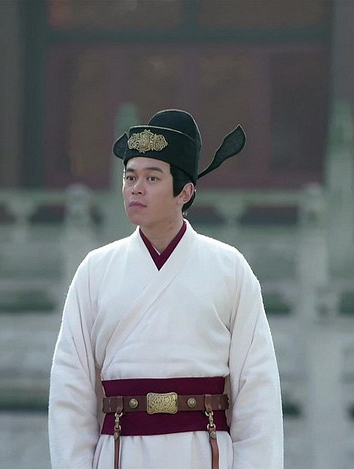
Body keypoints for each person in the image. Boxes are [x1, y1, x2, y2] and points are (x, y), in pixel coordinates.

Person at [48, 109, 284, 469]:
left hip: (204, 452)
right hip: (120, 453)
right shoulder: (95, 271)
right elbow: (71, 389)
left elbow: (257, 392)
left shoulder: (229, 268)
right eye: (130, 177)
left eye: (152, 178)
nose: (136, 188)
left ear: (184, 191)